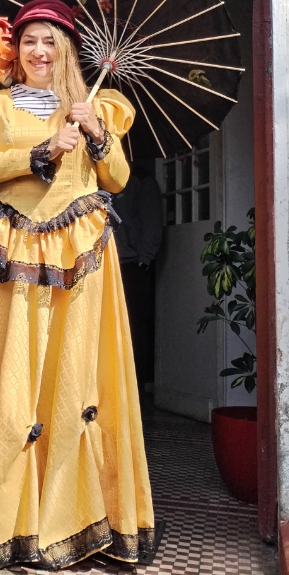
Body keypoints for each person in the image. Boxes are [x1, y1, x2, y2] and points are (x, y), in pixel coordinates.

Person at [0, 0, 157, 569]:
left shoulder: (97, 105)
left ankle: (70, 517)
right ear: (19, 49)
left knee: (72, 377)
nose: (39, 51)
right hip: (12, 252)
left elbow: (118, 178)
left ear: (65, 50)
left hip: (82, 259)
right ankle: (2, 517)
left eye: (50, 42)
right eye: (30, 40)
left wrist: (95, 135)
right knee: (8, 374)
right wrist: (40, 149)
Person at [112, 159, 166, 400]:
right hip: (103, 265)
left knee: (134, 328)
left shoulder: (142, 181)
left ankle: (135, 390)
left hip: (132, 265)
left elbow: (153, 223)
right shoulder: (103, 177)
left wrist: (144, 260)